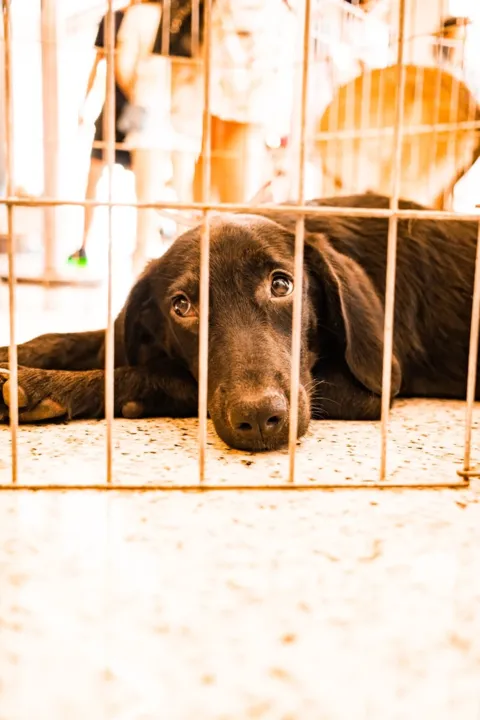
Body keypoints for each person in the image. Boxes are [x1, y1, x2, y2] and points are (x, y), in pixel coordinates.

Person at [115, 0, 203, 275]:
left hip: (148, 104)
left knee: (145, 195)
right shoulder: (196, 10)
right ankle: (192, 265)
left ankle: (140, 265)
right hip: (186, 106)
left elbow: (123, 65)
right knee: (184, 191)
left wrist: (140, 88)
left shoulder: (139, 14)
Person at [68, 1, 140, 268]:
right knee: (94, 178)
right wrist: (83, 105)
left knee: (141, 182)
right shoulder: (112, 18)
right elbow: (97, 62)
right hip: (112, 110)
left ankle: (138, 247)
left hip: (139, 110)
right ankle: (83, 244)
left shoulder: (153, 16)